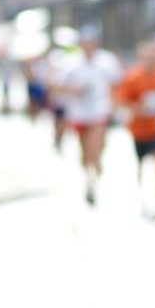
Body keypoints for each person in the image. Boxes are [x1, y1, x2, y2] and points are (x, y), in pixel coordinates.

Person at [57, 25, 123, 205]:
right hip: (78, 114)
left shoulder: (107, 61)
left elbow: (116, 85)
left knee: (96, 149)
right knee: (84, 153)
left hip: (99, 112)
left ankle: (95, 179)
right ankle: (89, 180)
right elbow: (58, 86)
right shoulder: (71, 62)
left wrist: (116, 107)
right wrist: (74, 90)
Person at [116, 39, 155, 218]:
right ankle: (143, 197)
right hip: (138, 131)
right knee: (141, 166)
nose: (150, 61)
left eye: (153, 57)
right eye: (146, 57)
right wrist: (138, 110)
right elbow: (122, 102)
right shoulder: (132, 78)